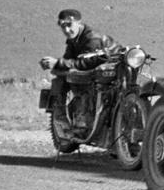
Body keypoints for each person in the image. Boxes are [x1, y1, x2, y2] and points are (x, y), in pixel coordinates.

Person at [42, 8, 120, 138]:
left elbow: (87, 63)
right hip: (101, 72)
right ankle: (63, 120)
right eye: (63, 26)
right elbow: (69, 60)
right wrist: (56, 66)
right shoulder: (75, 38)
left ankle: (83, 122)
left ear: (79, 23)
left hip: (111, 71)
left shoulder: (92, 38)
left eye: (69, 25)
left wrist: (58, 63)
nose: (66, 30)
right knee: (62, 78)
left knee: (82, 83)